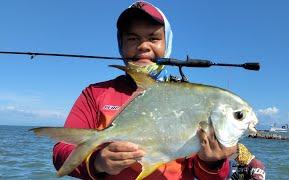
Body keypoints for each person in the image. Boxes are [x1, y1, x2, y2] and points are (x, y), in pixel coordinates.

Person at [53, 1, 265, 179]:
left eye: (153, 38)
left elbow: (212, 176)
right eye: (132, 38)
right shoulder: (95, 94)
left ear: (167, 43)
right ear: (120, 44)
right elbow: (62, 151)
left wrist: (213, 162)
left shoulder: (189, 97)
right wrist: (97, 162)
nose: (143, 46)